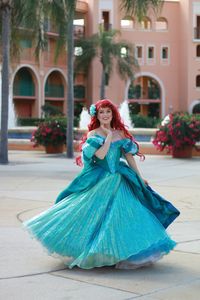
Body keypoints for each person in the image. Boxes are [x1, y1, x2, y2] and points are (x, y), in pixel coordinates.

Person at [23, 99, 180, 269]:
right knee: (91, 214)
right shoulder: (93, 134)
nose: (105, 115)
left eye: (108, 112)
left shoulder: (121, 133)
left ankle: (121, 253)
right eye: (101, 112)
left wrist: (140, 177)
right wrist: (108, 137)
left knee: (124, 215)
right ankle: (95, 251)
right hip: (100, 179)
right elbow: (100, 156)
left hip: (120, 178)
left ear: (113, 114)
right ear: (97, 116)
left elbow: (129, 157)